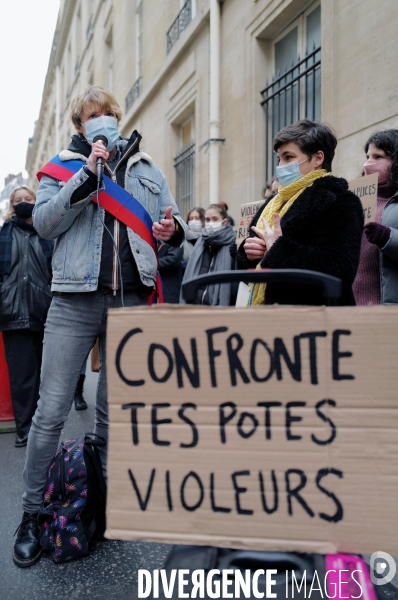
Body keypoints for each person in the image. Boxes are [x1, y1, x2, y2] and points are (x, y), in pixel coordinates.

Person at [13, 85, 186, 568]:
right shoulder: (59, 168)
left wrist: (173, 230)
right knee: (49, 413)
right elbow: (45, 224)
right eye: (92, 116)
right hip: (73, 298)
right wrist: (85, 177)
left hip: (132, 298)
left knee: (114, 412)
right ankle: (31, 514)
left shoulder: (147, 168)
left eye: (107, 112)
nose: (102, 119)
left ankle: (103, 508)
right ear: (79, 127)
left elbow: (168, 223)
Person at [237, 119, 364, 305]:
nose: (280, 166)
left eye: (288, 157)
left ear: (318, 158)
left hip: (316, 321)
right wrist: (248, 254)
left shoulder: (341, 201)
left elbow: (340, 270)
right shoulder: (274, 202)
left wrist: (279, 247)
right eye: (279, 159)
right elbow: (246, 267)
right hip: (268, 317)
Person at [0, 186, 53, 448]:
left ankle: (44, 430)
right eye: (18, 200)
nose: (23, 203)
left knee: (47, 376)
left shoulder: (48, 232)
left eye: (28, 199)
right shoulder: (3, 233)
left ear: (37, 201)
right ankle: (25, 430)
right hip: (12, 313)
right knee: (21, 378)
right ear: (12, 205)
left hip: (44, 312)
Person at [353, 129, 398, 305]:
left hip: (388, 310)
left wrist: (387, 237)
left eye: (378, 157)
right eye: (367, 157)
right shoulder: (355, 198)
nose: (368, 164)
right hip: (352, 307)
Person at [181, 203, 236, 305]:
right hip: (197, 304)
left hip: (219, 304)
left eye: (215, 219)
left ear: (225, 222)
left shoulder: (233, 242)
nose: (210, 223)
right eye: (207, 220)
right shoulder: (201, 241)